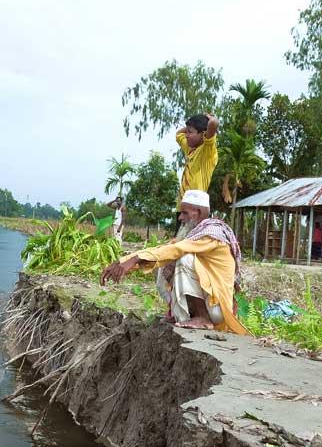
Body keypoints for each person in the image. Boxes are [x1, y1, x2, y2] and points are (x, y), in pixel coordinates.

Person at [100, 190, 248, 334]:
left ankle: (202, 317)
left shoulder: (212, 234)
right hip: (210, 303)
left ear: (199, 212)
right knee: (162, 261)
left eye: (185, 213)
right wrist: (122, 262)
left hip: (217, 308)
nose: (180, 218)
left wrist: (134, 260)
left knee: (184, 259)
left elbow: (177, 249)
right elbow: (165, 249)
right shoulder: (196, 233)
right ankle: (181, 315)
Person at [175, 114, 220, 212]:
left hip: (195, 210)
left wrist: (208, 118)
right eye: (186, 132)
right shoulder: (190, 149)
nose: (186, 135)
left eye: (190, 132)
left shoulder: (207, 151)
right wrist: (191, 125)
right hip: (182, 208)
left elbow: (214, 123)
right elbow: (178, 135)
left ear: (203, 134)